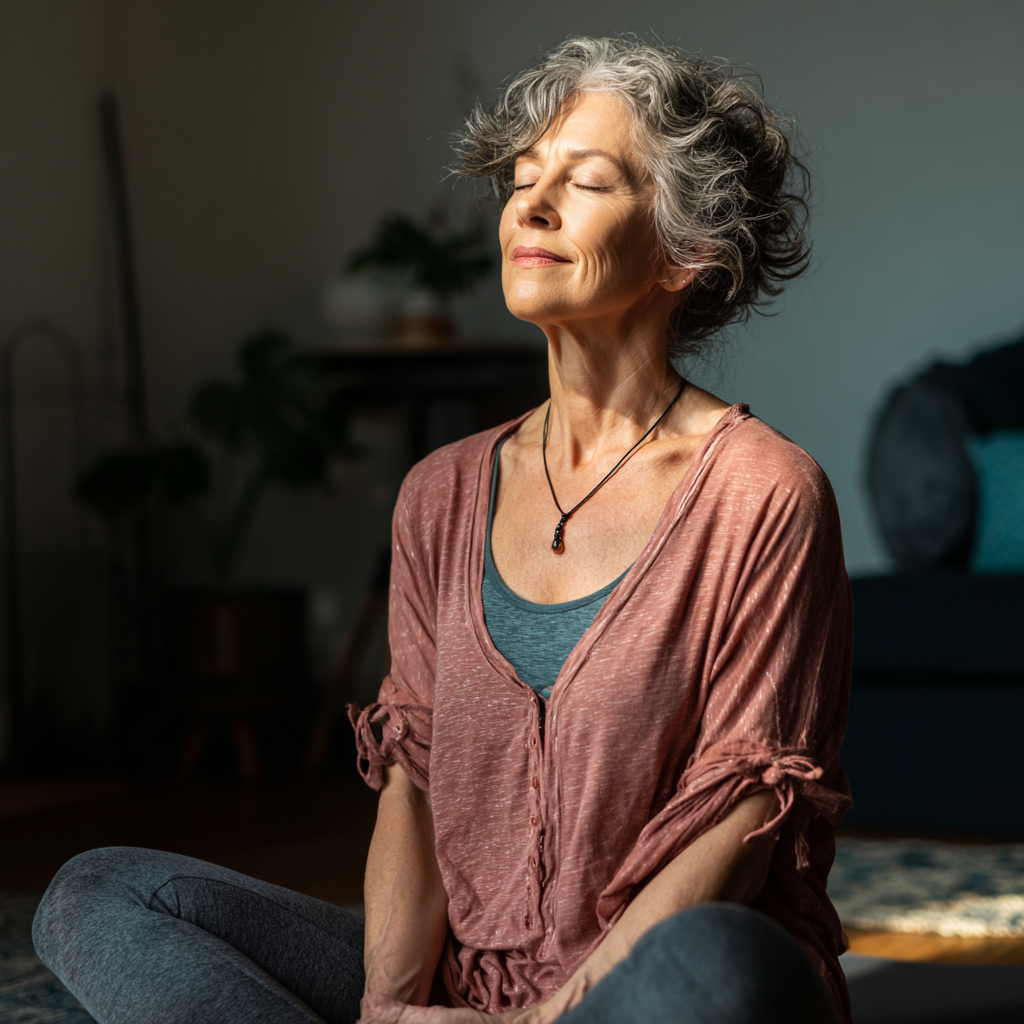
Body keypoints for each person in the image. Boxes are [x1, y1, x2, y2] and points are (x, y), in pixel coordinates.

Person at [33, 37, 852, 1024]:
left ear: (686, 250)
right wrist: (388, 1009)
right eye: (521, 181)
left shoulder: (763, 492)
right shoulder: (441, 491)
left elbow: (743, 818)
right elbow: (412, 786)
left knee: (723, 963)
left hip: (653, 985)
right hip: (465, 989)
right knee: (98, 893)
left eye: (583, 182)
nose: (530, 208)